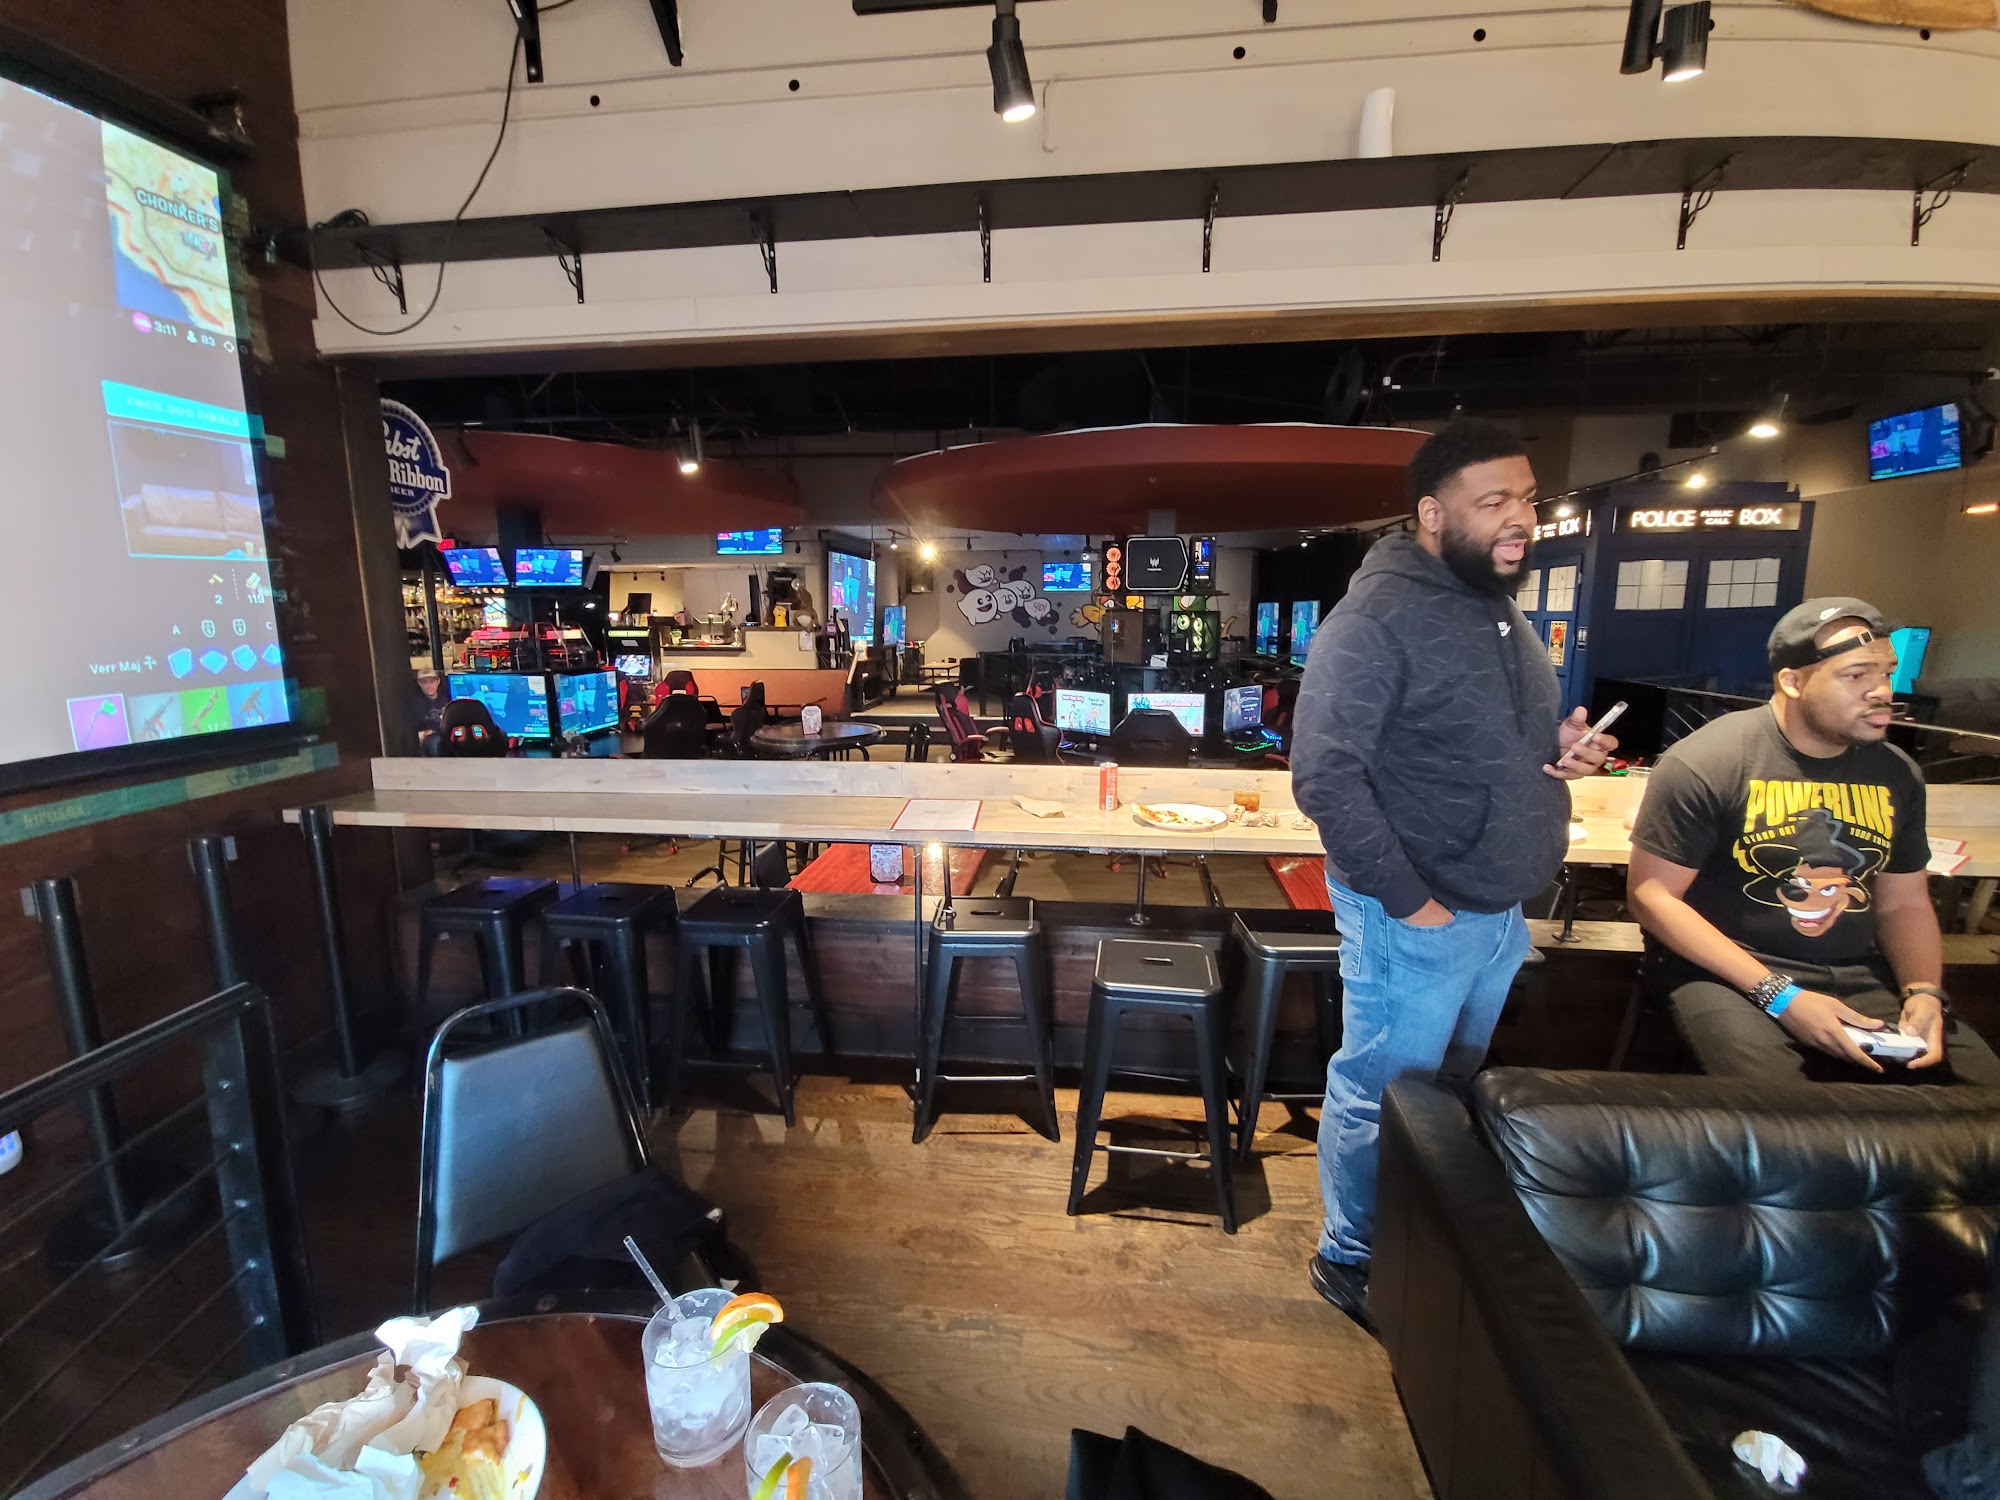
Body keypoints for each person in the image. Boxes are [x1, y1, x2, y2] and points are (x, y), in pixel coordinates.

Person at [1290, 417, 1614, 1329]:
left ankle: (1418, 1236)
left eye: (1529, 499)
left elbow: (1476, 739)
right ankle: (1353, 1255)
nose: (1523, 518)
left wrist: (1561, 748)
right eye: (1496, 501)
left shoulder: (1495, 605)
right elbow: (1325, 776)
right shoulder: (1374, 619)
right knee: (1384, 1091)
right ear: (1433, 514)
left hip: (1497, 906)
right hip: (1419, 910)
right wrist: (1412, 904)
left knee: (1446, 1091)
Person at [1626, 597, 2000, 1085]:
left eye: (1886, 674)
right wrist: (1781, 996)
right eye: (1856, 675)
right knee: (1790, 1115)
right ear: (1793, 681)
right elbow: (1652, 897)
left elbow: (1903, 903)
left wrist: (1924, 991)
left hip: (1859, 973)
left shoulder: (1896, 772)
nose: (1881, 692)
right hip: (1731, 974)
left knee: (1979, 1101)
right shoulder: (1708, 761)